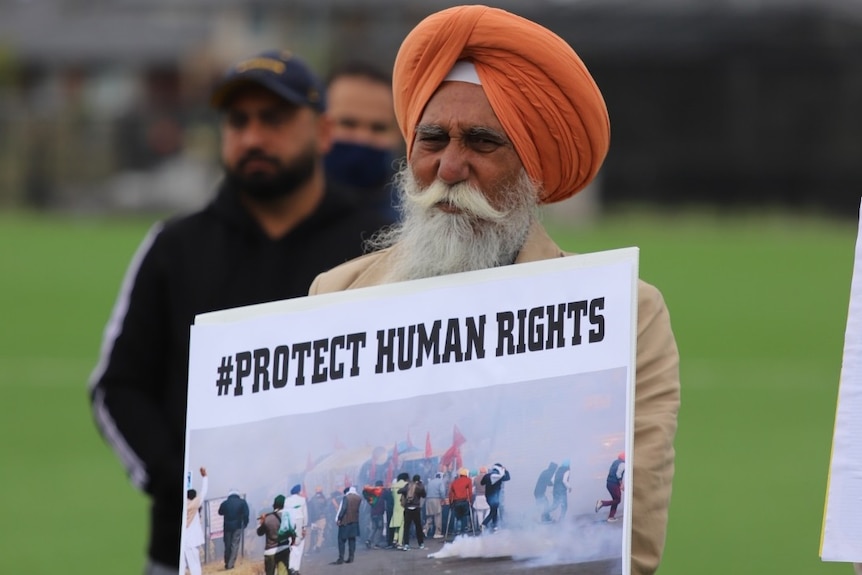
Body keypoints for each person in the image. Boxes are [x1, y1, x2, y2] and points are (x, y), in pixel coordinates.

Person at [307, 5, 680, 574]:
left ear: (532, 164)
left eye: (481, 142)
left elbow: (631, 541)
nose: (450, 167)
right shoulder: (337, 294)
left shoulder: (626, 314)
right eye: (432, 139)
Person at [88, 49, 392, 575]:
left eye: (274, 119)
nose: (253, 137)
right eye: (238, 121)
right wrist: (176, 484)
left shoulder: (378, 245)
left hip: (334, 557)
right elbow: (116, 386)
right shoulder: (174, 245)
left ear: (322, 134)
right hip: (187, 554)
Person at [325, 60, 404, 222]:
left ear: (399, 134)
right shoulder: (282, 206)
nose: (363, 138)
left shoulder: (412, 221)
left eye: (378, 128)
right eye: (348, 123)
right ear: (320, 127)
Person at [257, 495, 294, 575]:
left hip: (270, 551)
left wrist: (262, 521)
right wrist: (293, 541)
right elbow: (292, 530)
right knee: (283, 573)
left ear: (274, 505)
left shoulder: (268, 518)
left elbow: (259, 532)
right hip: (284, 548)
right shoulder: (287, 516)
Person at [182, 467, 208, 575]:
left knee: (182, 565)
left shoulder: (184, 506)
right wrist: (205, 477)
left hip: (184, 540)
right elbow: (204, 491)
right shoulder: (195, 504)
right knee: (195, 565)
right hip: (193, 540)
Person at [218, 488, 250, 570]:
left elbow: (220, 512)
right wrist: (245, 523)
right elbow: (246, 514)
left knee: (227, 545)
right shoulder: (242, 502)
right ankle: (230, 564)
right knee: (234, 545)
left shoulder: (225, 503)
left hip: (227, 527)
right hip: (237, 526)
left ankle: (227, 562)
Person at [332, 486, 362, 565]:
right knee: (352, 540)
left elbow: (343, 508)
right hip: (354, 522)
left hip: (345, 522)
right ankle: (351, 557)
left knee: (341, 541)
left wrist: (339, 518)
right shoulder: (358, 498)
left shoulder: (346, 498)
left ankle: (341, 558)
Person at [397, 474, 427, 550]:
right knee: (418, 527)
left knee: (406, 527)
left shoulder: (408, 485)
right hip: (416, 508)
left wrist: (405, 493)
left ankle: (406, 544)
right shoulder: (419, 487)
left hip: (407, 509)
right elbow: (424, 495)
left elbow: (399, 491)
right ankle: (421, 544)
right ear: (419, 480)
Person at [284, 484, 308, 575]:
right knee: (299, 546)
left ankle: (290, 567)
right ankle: (296, 568)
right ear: (299, 492)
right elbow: (305, 515)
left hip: (289, 525)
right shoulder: (302, 500)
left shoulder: (286, 501)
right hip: (299, 523)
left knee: (291, 546)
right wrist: (304, 527)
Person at [596, 452, 626, 523]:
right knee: (617, 500)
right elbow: (618, 474)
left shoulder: (615, 462)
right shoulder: (623, 464)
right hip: (614, 484)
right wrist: (621, 484)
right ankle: (602, 503)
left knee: (615, 500)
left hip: (609, 483)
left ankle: (611, 517)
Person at [481, 463, 510, 532]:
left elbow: (482, 483)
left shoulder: (487, 476)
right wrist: (505, 470)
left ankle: (495, 526)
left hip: (488, 496)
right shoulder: (500, 476)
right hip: (495, 497)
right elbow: (508, 478)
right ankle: (484, 524)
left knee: (494, 510)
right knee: (493, 511)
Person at [447, 467, 473, 536]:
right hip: (464, 501)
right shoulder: (468, 480)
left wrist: (450, 503)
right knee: (465, 515)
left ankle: (458, 531)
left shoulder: (454, 482)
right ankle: (464, 530)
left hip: (456, 501)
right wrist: (470, 500)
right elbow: (470, 492)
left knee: (458, 517)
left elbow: (451, 494)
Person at [362, 480, 387, 548]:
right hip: (379, 513)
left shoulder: (372, 494)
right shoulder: (382, 493)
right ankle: (376, 544)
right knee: (379, 528)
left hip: (373, 513)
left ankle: (368, 540)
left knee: (373, 528)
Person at [306, 486, 328, 554]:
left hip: (314, 519)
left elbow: (311, 510)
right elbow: (326, 507)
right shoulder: (324, 499)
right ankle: (318, 545)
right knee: (320, 533)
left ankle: (312, 546)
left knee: (314, 533)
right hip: (322, 518)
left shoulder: (312, 499)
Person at [424, 471, 446, 538]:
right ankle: (437, 533)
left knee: (430, 517)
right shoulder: (440, 482)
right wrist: (443, 498)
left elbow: (426, 490)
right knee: (438, 516)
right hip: (436, 499)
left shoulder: (430, 482)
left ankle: (425, 529)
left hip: (428, 500)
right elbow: (442, 491)